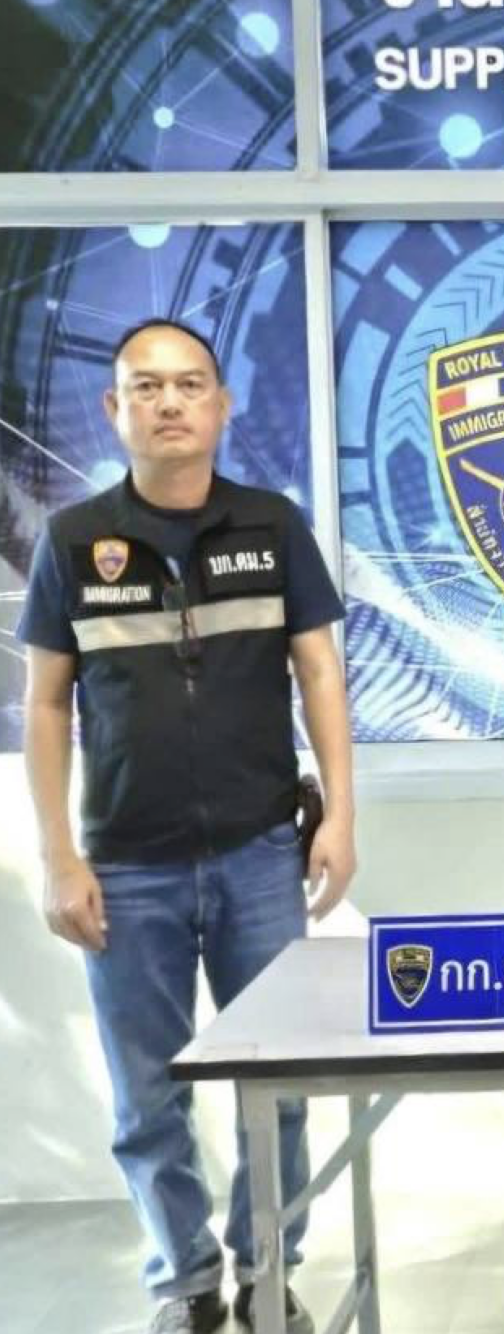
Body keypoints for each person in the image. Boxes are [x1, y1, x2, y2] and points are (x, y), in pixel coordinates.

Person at [19, 318, 356, 1334]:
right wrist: (59, 856)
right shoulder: (73, 543)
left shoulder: (273, 526)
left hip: (261, 855)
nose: (169, 402)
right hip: (127, 869)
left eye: (190, 383)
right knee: (147, 1097)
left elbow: (319, 672)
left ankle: (268, 1271)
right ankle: (186, 1282)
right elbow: (45, 704)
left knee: (278, 1082)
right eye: (146, 386)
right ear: (114, 407)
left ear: (222, 403)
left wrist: (341, 813)